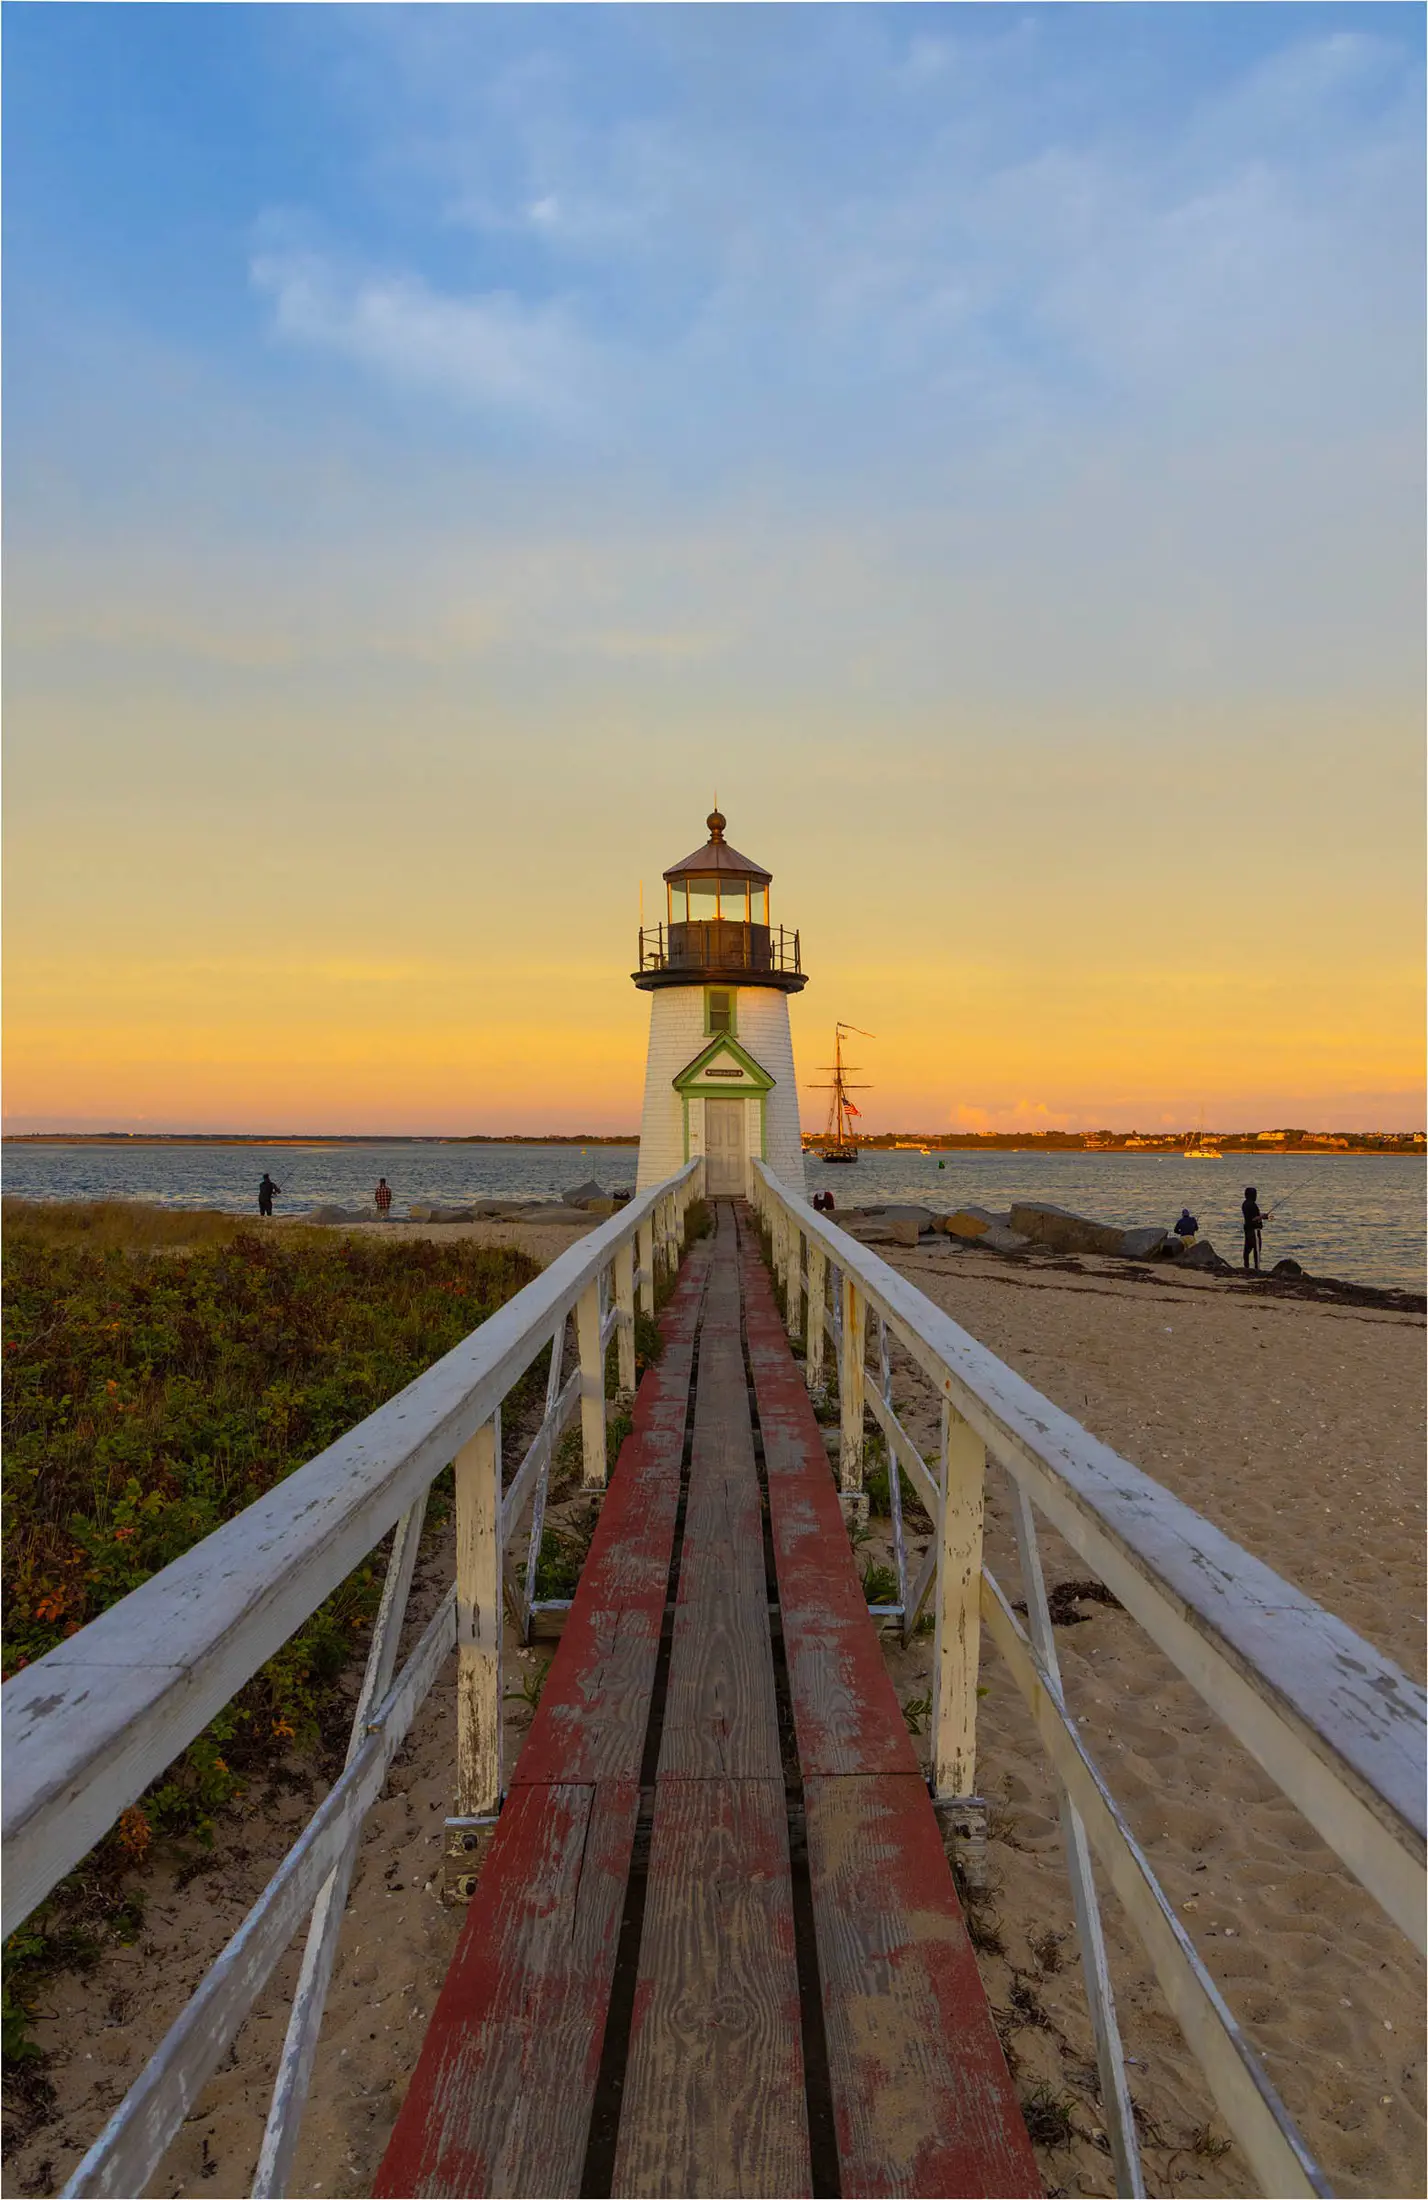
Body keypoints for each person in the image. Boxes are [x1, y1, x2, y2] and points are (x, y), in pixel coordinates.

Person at [1241, 1185, 1265, 1272]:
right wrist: (1262, 1216)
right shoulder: (1252, 1205)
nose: (1256, 1196)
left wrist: (1261, 1217)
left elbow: (1250, 1217)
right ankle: (1257, 1268)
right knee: (1256, 1251)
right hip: (1254, 1231)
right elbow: (1253, 1219)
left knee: (1247, 1250)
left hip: (1247, 1229)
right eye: (1255, 1194)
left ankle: (1246, 1267)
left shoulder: (1244, 1204)